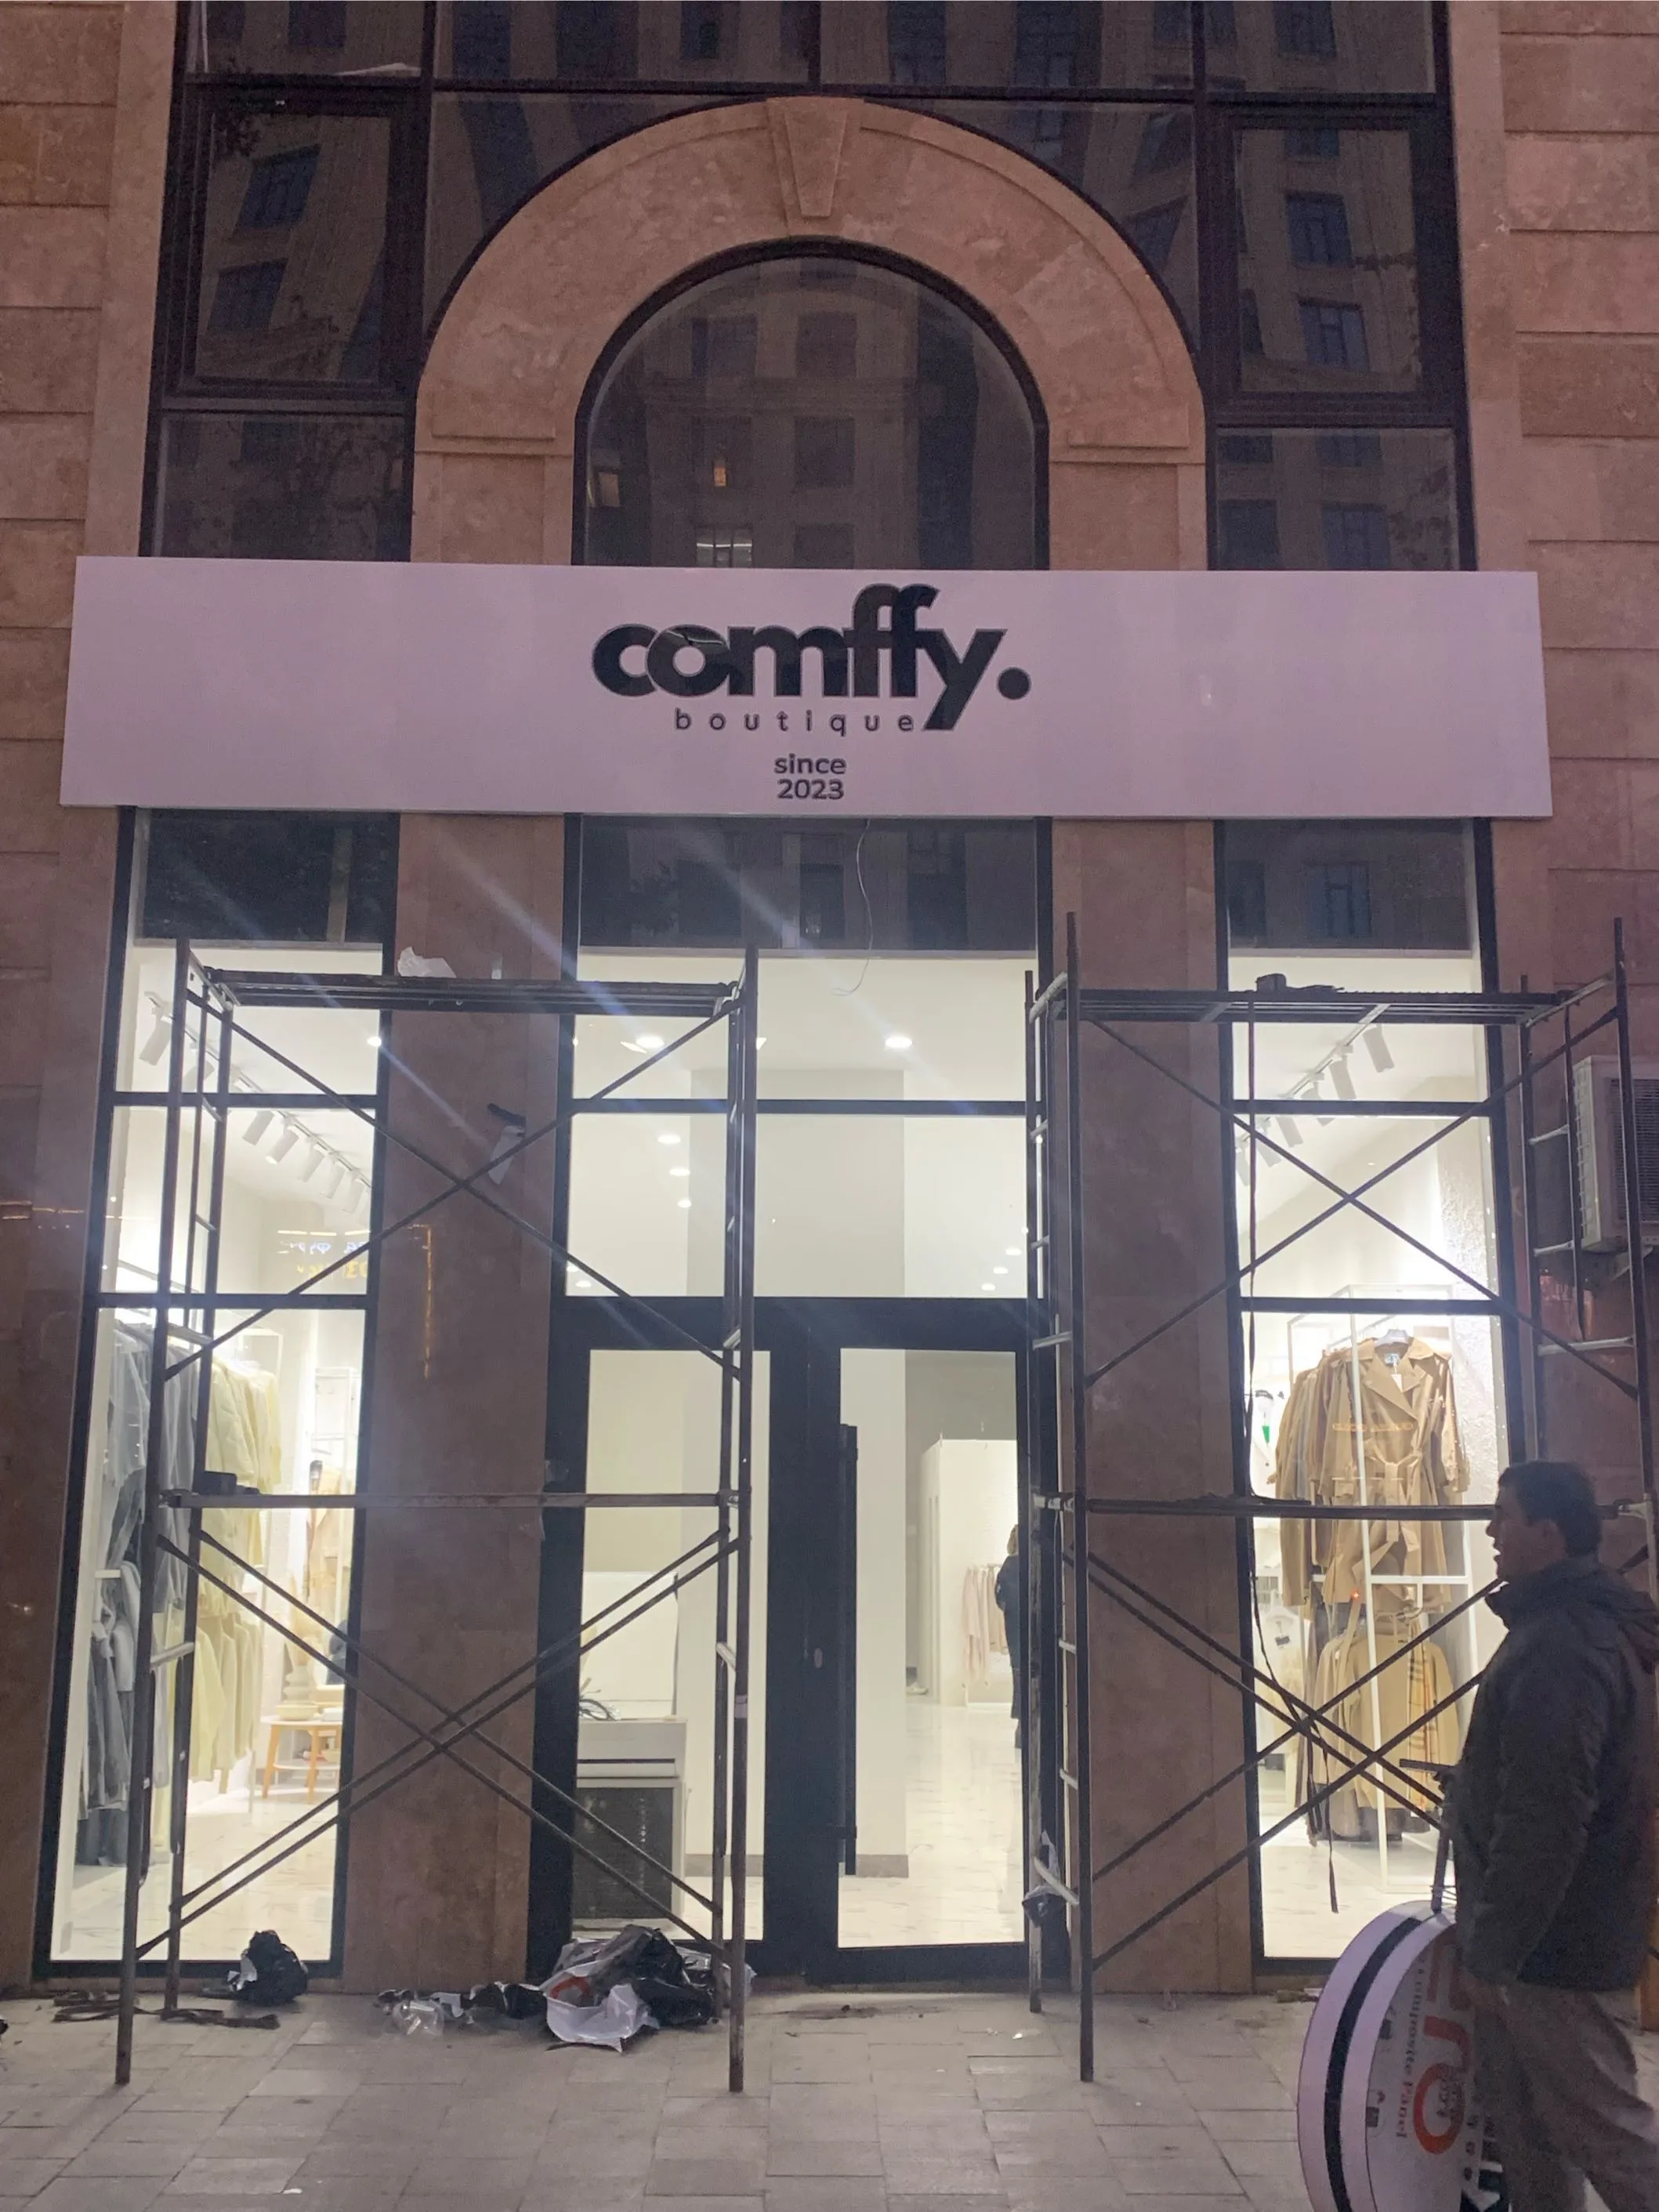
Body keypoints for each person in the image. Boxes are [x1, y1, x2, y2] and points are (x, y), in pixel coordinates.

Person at [1449, 1458, 1659, 2212]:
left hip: (1556, 1948)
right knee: (1532, 2135)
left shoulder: (1563, 1647)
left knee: (1605, 2132)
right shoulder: (1564, 1628)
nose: (1490, 1531)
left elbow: (1545, 1815)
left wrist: (1495, 1949)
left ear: (1547, 1532)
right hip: (1550, 1941)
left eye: (1502, 1515)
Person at [994, 1527, 1023, 1737]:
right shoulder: (1031, 1565)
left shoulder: (1008, 1567)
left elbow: (1000, 1598)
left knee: (1019, 1672)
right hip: (1030, 1626)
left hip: (1013, 1627)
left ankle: (1021, 1723)